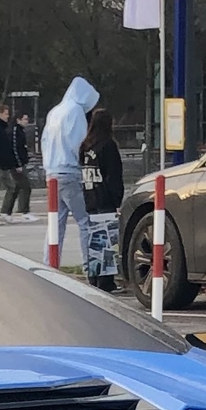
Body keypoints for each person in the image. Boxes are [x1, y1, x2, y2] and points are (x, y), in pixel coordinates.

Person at [39, 76, 99, 271]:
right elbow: (79, 143)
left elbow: (45, 141)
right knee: (85, 221)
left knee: (56, 222)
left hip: (52, 172)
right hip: (70, 171)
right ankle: (90, 265)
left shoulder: (55, 111)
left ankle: (49, 265)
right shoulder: (75, 112)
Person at [80, 100, 126, 287]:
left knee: (95, 239)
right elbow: (114, 174)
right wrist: (117, 198)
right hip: (105, 197)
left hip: (90, 196)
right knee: (108, 240)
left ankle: (94, 276)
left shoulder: (85, 146)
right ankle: (106, 281)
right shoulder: (108, 145)